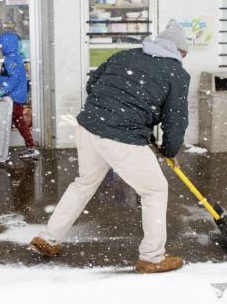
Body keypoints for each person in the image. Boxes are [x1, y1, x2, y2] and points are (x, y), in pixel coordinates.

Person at [29, 20, 190, 274]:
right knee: (155, 190)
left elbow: (92, 85)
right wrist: (169, 151)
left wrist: (111, 109)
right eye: (184, 53)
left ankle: (48, 238)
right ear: (179, 50)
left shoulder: (125, 55)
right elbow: (176, 120)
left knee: (83, 184)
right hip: (121, 136)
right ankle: (152, 257)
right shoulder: (176, 73)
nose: (184, 57)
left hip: (89, 127)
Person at [0, 31, 39, 159]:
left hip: (14, 97)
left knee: (6, 123)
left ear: (7, 45)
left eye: (0, 45)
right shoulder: (13, 57)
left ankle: (2, 152)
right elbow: (8, 77)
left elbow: (15, 79)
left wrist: (3, 90)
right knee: (15, 122)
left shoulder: (12, 60)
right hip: (15, 96)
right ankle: (28, 147)